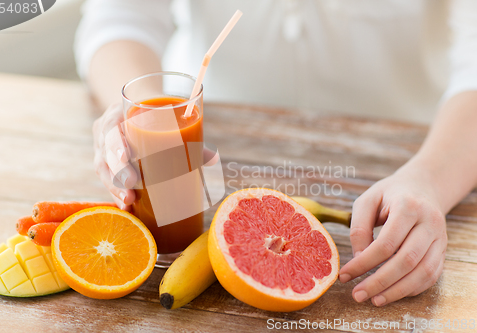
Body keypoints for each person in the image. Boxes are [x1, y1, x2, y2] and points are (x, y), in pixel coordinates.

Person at [75, 0, 477, 307]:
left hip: (415, 152)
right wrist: (137, 118)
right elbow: (118, 21)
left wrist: (430, 179)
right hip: (211, 147)